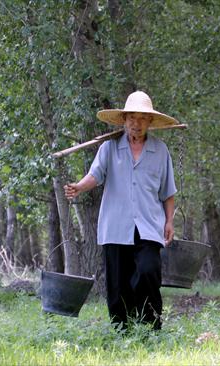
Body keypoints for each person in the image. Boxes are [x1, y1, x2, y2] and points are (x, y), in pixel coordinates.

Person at [64, 91, 178, 331]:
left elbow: (168, 191)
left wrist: (169, 221)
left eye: (142, 119)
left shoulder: (160, 151)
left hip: (148, 226)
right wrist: (79, 187)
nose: (136, 124)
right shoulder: (109, 148)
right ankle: (122, 331)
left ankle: (150, 328)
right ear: (124, 120)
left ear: (150, 122)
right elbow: (95, 175)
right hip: (116, 225)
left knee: (148, 272)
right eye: (132, 118)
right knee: (117, 284)